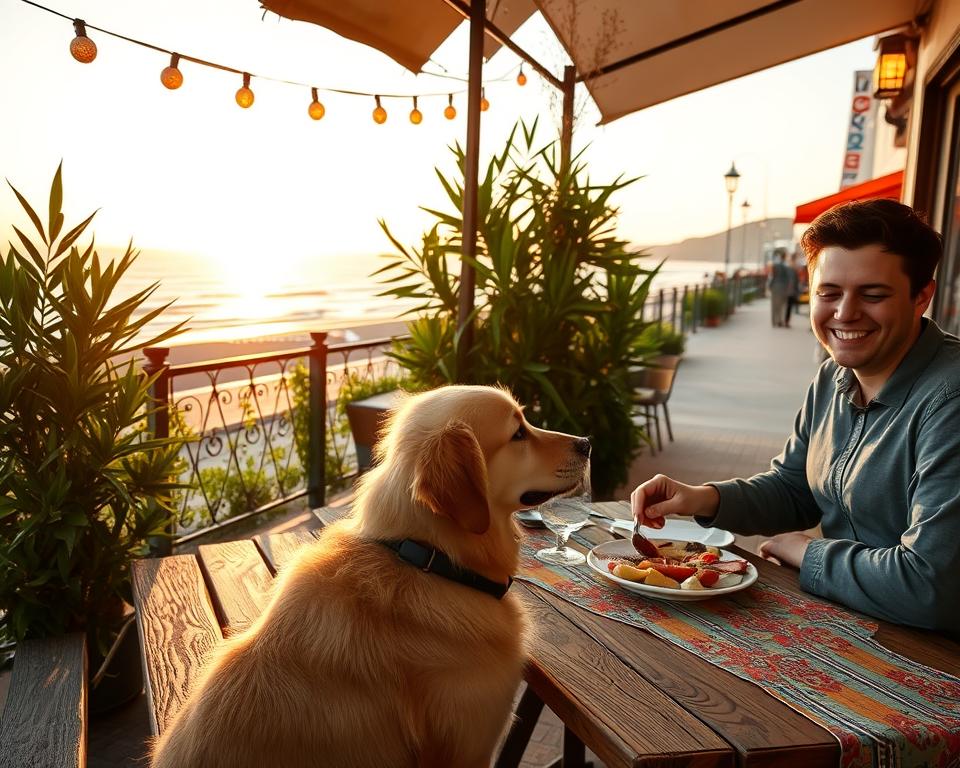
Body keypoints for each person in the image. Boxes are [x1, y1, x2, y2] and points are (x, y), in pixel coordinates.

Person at [630, 199, 960, 634]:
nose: (844, 313)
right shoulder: (832, 377)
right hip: (852, 620)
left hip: (933, 656)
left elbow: (928, 588)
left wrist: (806, 552)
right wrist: (699, 498)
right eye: (829, 293)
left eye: (873, 295)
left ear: (922, 296)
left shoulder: (949, 399)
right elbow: (795, 488)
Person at [767, 249, 792, 327]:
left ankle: (774, 321)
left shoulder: (775, 265)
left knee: (775, 304)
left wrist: (769, 285)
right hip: (784, 286)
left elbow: (772, 276)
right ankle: (780, 320)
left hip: (775, 286)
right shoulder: (786, 265)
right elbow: (788, 278)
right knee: (783, 304)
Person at [783, 252, 802, 327]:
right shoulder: (792, 267)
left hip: (790, 289)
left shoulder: (791, 266)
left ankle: (786, 321)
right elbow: (792, 280)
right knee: (788, 306)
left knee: (788, 306)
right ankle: (786, 321)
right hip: (790, 290)